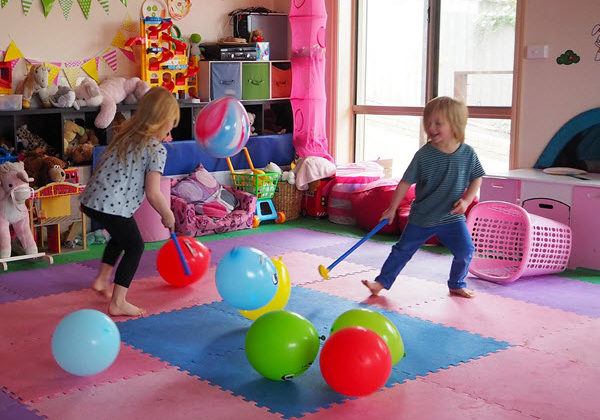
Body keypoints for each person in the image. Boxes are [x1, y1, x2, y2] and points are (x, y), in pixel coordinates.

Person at [362, 96, 484, 299]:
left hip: (451, 218)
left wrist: (466, 200)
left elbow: (477, 177)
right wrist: (392, 209)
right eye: (427, 122)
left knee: (465, 251)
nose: (430, 127)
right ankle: (380, 283)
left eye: (438, 123)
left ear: (454, 125)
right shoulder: (424, 155)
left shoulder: (467, 154)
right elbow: (405, 182)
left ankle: (456, 284)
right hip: (422, 217)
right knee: (402, 251)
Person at [80, 86, 178, 317]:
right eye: (172, 122)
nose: (172, 127)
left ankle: (102, 279)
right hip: (112, 206)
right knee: (135, 246)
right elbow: (153, 192)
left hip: (92, 200)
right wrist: (168, 214)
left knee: (121, 235)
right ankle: (118, 302)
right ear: (163, 121)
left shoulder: (125, 136)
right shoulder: (156, 149)